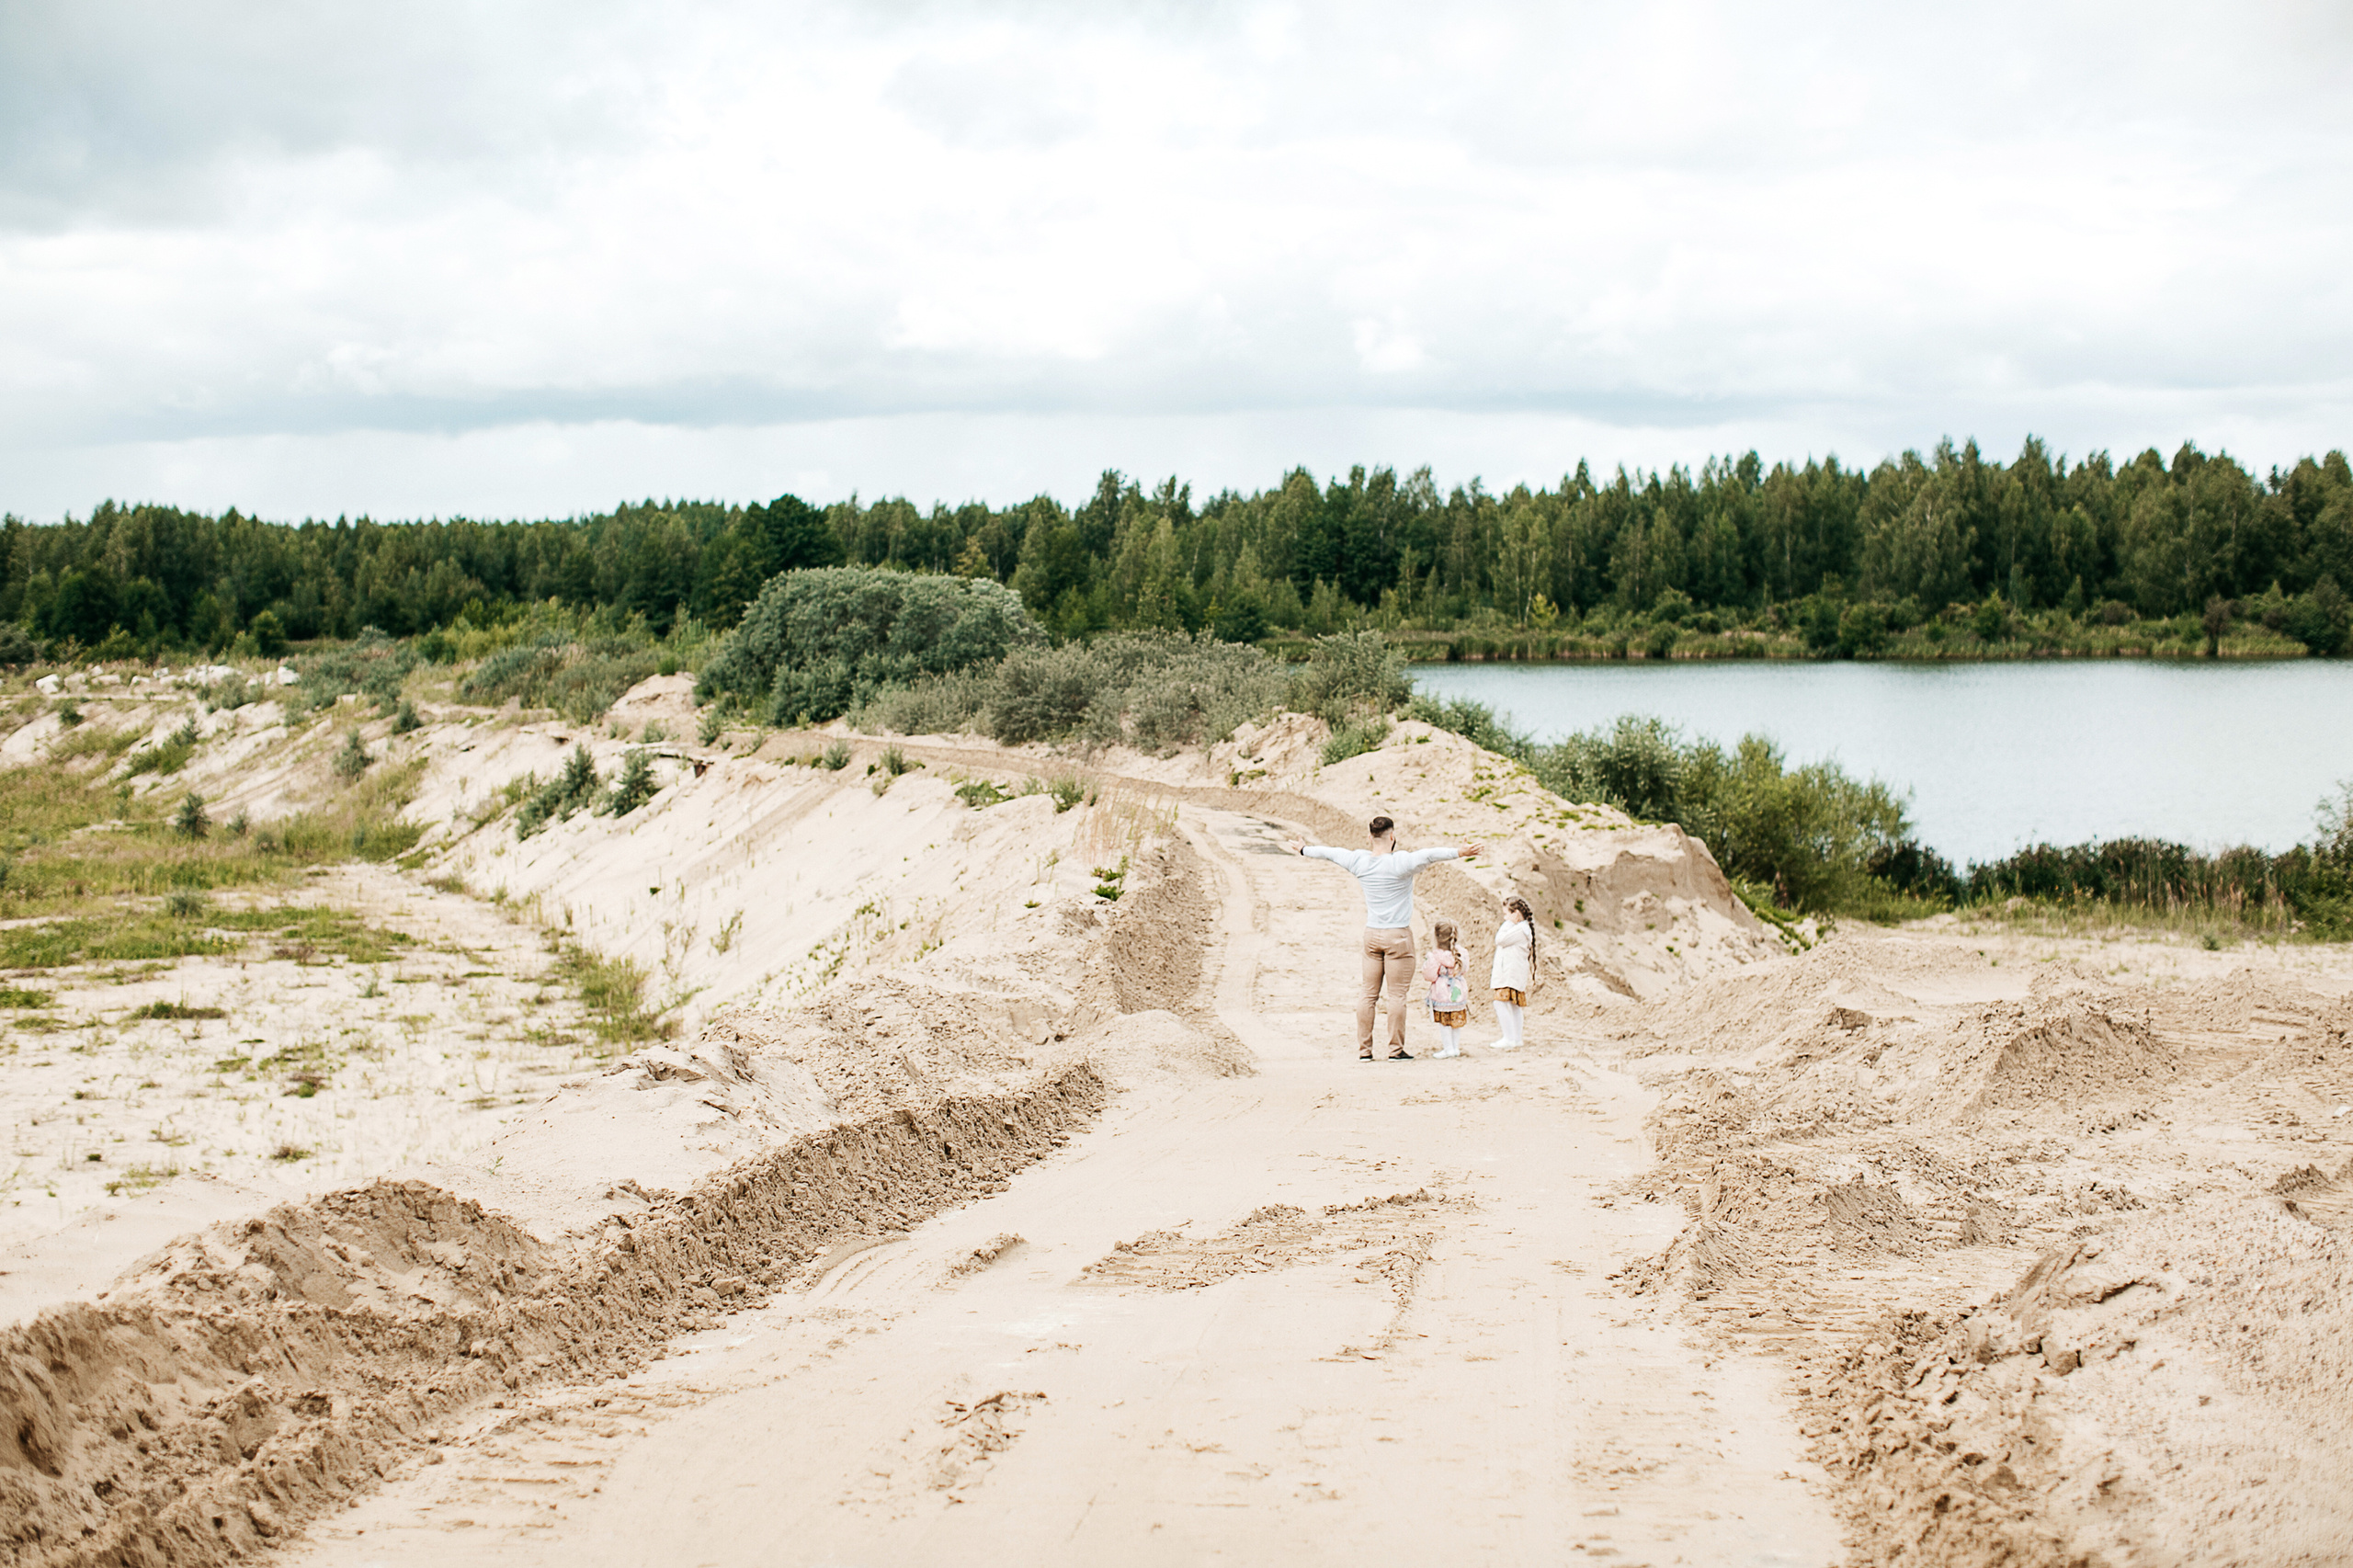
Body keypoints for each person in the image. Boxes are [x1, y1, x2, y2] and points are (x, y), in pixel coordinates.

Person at [1285, 816, 1487, 1061]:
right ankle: (1394, 1050)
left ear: (1370, 837)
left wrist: (1305, 849)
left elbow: (1332, 853)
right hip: (1398, 936)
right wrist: (1459, 852)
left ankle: (1364, 1051)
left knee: (1368, 994)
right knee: (1397, 996)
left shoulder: (1359, 860)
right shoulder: (1401, 862)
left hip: (1372, 935)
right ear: (1392, 836)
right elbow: (1430, 854)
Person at [1489, 894, 1536, 1051]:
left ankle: (1509, 1038)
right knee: (1513, 1005)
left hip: (1510, 973)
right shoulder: (1521, 930)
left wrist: (1507, 923)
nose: (1505, 918)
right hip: (1512, 972)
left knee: (1500, 1002)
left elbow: (1500, 940)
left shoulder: (1519, 930)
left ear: (1515, 914)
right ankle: (1516, 1038)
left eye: (1506, 914)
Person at [1422, 921, 1472, 1057]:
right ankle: (1455, 1048)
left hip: (1442, 992)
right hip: (1459, 990)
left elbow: (1429, 975)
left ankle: (1448, 1048)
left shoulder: (1435, 956)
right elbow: (1465, 969)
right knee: (1455, 1020)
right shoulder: (1462, 953)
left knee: (1444, 1022)